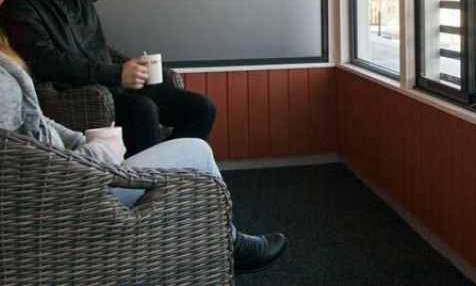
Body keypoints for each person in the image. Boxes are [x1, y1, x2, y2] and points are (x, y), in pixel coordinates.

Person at [0, 38, 286, 276]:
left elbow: (40, 124)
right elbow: (18, 163)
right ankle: (228, 242)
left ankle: (182, 220)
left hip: (75, 172)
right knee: (196, 151)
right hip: (69, 197)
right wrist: (100, 152)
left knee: (196, 114)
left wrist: (84, 140)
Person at [0, 0, 230, 156]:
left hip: (118, 86)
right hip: (81, 98)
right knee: (143, 109)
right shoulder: (17, 8)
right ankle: (141, 176)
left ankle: (168, 168)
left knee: (202, 108)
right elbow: (48, 63)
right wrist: (116, 73)